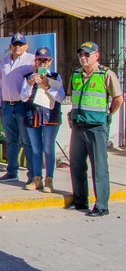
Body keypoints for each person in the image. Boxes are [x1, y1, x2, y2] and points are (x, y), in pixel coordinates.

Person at [68, 42, 123, 217]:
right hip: (78, 126)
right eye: (81, 55)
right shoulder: (76, 73)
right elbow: (72, 96)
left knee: (99, 167)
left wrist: (108, 115)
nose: (83, 58)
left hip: (97, 127)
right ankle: (80, 200)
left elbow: (118, 99)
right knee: (77, 165)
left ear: (96, 56)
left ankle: (101, 205)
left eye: (87, 54)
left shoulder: (106, 74)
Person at [19, 47, 64, 192]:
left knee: (48, 149)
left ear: (50, 61)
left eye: (45, 60)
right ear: (35, 61)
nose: (42, 63)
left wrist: (47, 86)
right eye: (39, 60)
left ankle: (49, 179)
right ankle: (36, 178)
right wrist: (31, 84)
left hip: (50, 118)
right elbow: (23, 97)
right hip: (33, 117)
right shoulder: (28, 77)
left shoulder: (56, 77)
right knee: (36, 150)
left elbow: (60, 97)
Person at [0, 33, 35, 183]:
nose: (17, 47)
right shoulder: (4, 62)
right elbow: (0, 85)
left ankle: (32, 175)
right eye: (15, 44)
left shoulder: (30, 61)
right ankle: (12, 172)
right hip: (6, 106)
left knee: (26, 141)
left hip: (22, 106)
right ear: (10, 46)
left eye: (20, 44)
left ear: (25, 46)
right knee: (11, 141)